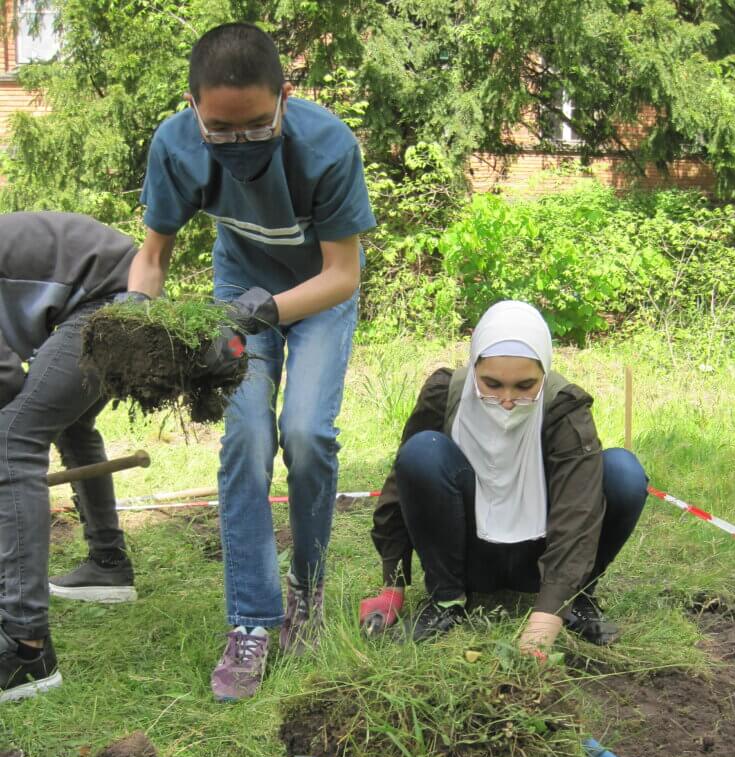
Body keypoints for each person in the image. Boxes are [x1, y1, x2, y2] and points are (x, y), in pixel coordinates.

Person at [127, 22, 375, 702]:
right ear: (193, 107)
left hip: (316, 296)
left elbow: (344, 274)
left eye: (256, 126)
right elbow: (151, 257)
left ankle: (308, 589)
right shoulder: (176, 146)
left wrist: (265, 310)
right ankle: (252, 622)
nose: (239, 144)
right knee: (246, 435)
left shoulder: (327, 146)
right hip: (238, 292)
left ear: (285, 99)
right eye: (221, 129)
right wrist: (133, 320)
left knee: (306, 434)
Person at [359, 300, 648, 655]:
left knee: (623, 472)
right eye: (492, 384)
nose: (507, 400)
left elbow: (579, 514)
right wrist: (393, 584)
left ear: (544, 373)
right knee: (423, 451)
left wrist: (545, 622)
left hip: (538, 559)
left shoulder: (563, 409)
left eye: (524, 386)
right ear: (474, 364)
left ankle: (573, 598)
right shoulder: (446, 393)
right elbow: (398, 489)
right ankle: (447, 601)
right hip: (469, 556)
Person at [0, 211, 140, 704]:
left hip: (117, 300)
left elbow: (5, 380)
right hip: (126, 289)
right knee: (72, 422)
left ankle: (25, 648)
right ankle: (107, 564)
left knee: (12, 438)